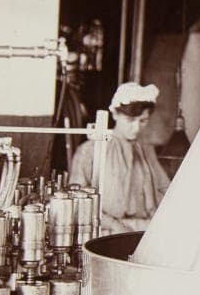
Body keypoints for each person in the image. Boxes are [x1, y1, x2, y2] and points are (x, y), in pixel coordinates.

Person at [68, 81, 171, 235]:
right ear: (115, 114)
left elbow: (165, 190)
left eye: (143, 121)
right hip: (105, 232)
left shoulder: (146, 151)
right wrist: (114, 225)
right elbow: (78, 202)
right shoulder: (90, 150)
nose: (136, 128)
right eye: (130, 120)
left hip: (144, 231)